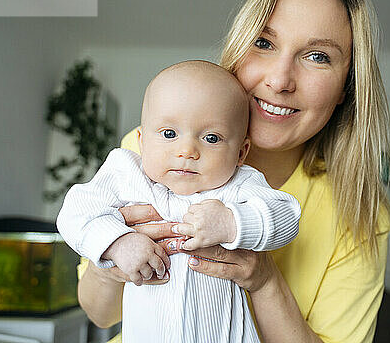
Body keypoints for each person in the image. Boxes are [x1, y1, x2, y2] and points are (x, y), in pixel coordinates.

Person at [77, 0, 390, 343]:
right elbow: (100, 315)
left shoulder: (358, 213)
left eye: (317, 56)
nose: (280, 81)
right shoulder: (150, 154)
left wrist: (263, 279)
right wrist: (113, 254)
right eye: (263, 43)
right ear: (237, 51)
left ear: (346, 88)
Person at [58, 61, 301, 342]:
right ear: (141, 141)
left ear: (240, 153)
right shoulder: (127, 174)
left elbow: (288, 216)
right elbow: (75, 211)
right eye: (169, 134)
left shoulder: (239, 185)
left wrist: (232, 223)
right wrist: (116, 242)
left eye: (211, 138)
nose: (187, 151)